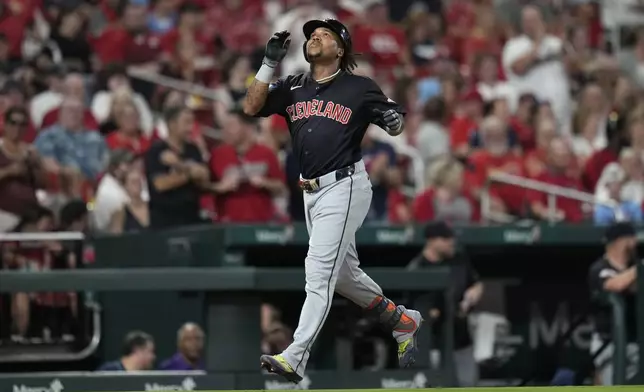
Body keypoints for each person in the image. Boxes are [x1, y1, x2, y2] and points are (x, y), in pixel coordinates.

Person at [243, 19, 423, 384]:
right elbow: (251, 107)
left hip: (345, 185)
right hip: (310, 192)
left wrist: (392, 123)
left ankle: (295, 356)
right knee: (343, 277)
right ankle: (403, 321)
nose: (315, 37)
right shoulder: (294, 85)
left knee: (318, 271)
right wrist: (267, 64)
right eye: (311, 34)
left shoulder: (358, 87)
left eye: (324, 34)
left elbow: (394, 121)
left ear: (340, 49)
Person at [407, 221, 483, 387]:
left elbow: (476, 284)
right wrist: (433, 313)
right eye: (446, 238)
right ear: (431, 240)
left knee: (468, 385)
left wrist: (473, 294)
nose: (451, 242)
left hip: (461, 340)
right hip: (433, 345)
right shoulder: (417, 269)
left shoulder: (459, 260)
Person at [588, 222, 639, 385]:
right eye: (631, 239)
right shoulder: (600, 267)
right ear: (620, 241)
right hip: (609, 343)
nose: (635, 243)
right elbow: (614, 284)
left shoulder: (633, 268)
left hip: (637, 344)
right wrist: (641, 268)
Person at [144, 106, 209, 229]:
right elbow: (160, 184)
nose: (190, 128)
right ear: (172, 124)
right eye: (186, 122)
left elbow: (204, 176)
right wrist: (190, 174)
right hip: (165, 222)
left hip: (192, 218)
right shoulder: (157, 151)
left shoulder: (193, 149)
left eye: (191, 122)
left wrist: (179, 165)